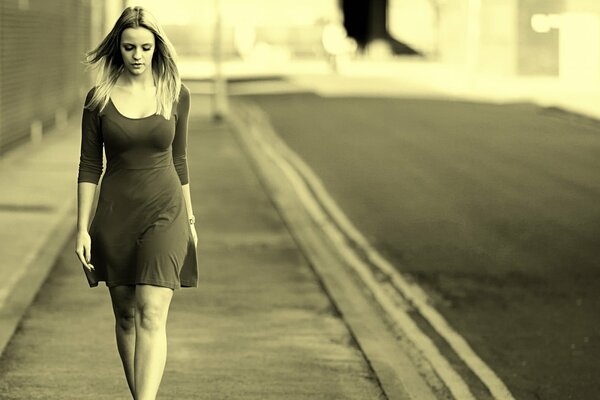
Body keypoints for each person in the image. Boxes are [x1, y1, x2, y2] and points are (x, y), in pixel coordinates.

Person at [74, 6, 198, 400]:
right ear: (118, 49)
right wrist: (81, 228)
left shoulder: (175, 93)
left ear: (157, 48)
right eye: (130, 47)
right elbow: (90, 165)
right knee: (126, 315)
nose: (138, 55)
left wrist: (191, 219)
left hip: (166, 212)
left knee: (151, 311)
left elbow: (179, 160)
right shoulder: (99, 99)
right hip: (115, 215)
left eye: (146, 47)